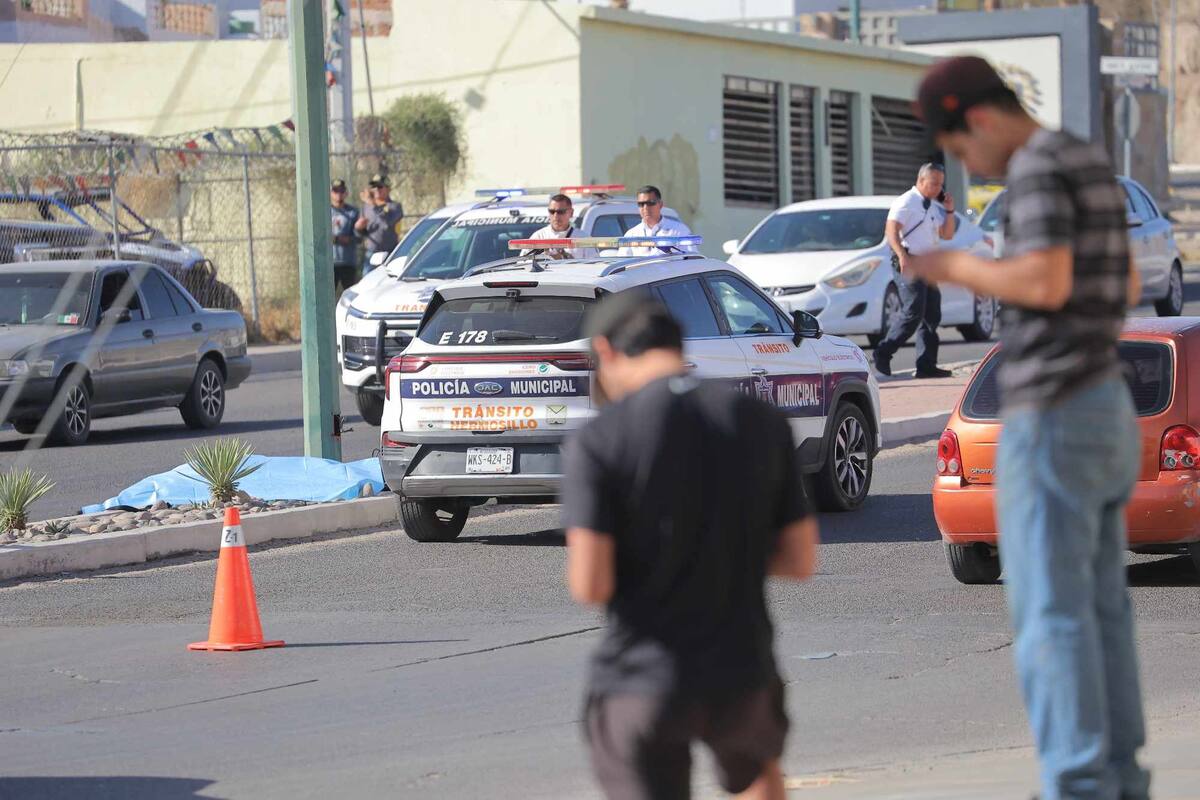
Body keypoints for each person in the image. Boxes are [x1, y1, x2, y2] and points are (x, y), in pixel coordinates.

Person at [904, 56, 1149, 800]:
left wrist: (960, 267)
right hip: (1107, 404)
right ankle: (1117, 778)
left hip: (1055, 413)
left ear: (977, 119)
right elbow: (1129, 283)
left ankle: (1077, 785)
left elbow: (1044, 280)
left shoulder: (1037, 169)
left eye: (962, 149)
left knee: (1050, 618)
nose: (968, 167)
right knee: (1103, 609)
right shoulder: (1086, 156)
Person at [562, 291, 819, 800]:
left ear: (606, 352)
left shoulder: (599, 440)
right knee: (756, 777)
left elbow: (591, 583)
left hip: (644, 676)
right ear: (678, 347)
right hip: (742, 665)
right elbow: (799, 559)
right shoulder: (759, 421)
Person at [872, 163, 957, 378]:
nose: (938, 188)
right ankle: (883, 352)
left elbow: (947, 235)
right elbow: (891, 230)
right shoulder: (907, 201)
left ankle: (926, 365)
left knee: (932, 315)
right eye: (934, 183)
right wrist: (902, 256)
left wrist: (949, 210)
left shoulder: (931, 205)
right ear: (921, 181)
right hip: (909, 260)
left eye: (941, 183)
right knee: (913, 311)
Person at [618, 185, 696, 256]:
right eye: (641, 204)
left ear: (660, 204)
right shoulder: (631, 234)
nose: (645, 208)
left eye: (650, 203)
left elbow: (692, 260)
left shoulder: (679, 231)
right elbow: (621, 265)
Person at [520, 194, 598, 259]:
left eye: (561, 212)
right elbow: (522, 263)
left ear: (571, 213)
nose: (556, 216)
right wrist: (544, 259)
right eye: (552, 211)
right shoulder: (538, 237)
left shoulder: (583, 239)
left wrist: (567, 260)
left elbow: (595, 267)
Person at [354, 173, 404, 275]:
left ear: (388, 189)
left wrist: (373, 204)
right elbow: (361, 235)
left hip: (390, 253)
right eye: (374, 186)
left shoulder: (395, 207)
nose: (376, 189)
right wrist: (358, 228)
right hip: (371, 253)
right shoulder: (366, 207)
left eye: (380, 186)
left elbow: (386, 224)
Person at [330, 179, 360, 294]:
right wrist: (336, 239)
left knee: (350, 295)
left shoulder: (353, 212)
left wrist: (349, 239)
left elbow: (358, 238)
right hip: (330, 263)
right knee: (328, 296)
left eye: (341, 191)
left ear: (346, 193)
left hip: (348, 262)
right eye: (335, 191)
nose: (338, 194)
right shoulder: (325, 211)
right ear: (331, 193)